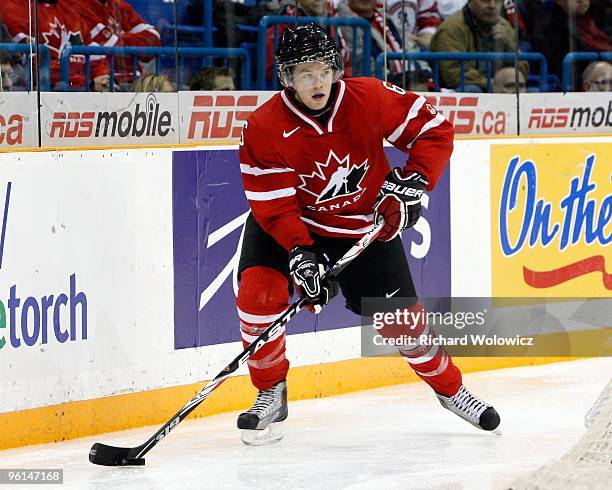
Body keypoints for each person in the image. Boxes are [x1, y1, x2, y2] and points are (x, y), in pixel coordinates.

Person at [236, 24, 501, 446]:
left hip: (363, 228)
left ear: (336, 69)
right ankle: (270, 390)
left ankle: (452, 390)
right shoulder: (264, 126)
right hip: (292, 227)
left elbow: (434, 130)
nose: (316, 82)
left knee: (406, 327)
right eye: (304, 73)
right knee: (258, 295)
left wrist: (415, 180)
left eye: (323, 70)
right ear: (286, 78)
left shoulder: (370, 97)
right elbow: (274, 205)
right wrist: (301, 252)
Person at [0, 0, 109, 91]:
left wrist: (102, 77)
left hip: (81, 86)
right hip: (45, 90)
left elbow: (93, 53)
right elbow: (35, 66)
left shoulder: (68, 6)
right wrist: (86, 83)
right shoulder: (14, 6)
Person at [429, 0, 527, 92]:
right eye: (485, 0)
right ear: (470, 1)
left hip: (498, 88)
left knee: (533, 92)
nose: (492, 6)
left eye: (497, 0)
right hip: (455, 91)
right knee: (472, 90)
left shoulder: (504, 26)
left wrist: (511, 45)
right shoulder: (452, 29)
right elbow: (455, 76)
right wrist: (495, 84)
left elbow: (523, 74)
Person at [72, 0, 161, 86]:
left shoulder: (117, 4)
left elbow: (154, 37)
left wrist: (119, 39)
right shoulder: (76, 6)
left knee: (165, 86)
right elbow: (108, 49)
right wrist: (132, 43)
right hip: (103, 85)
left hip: (134, 81)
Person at [529, 0, 612, 85]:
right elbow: (556, 67)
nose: (581, 1)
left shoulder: (603, 15)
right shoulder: (547, 27)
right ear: (559, 1)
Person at [266, 1, 352, 81]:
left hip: (330, 83)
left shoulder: (331, 19)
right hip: (295, 86)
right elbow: (271, 68)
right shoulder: (285, 20)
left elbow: (344, 60)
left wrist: (344, 80)